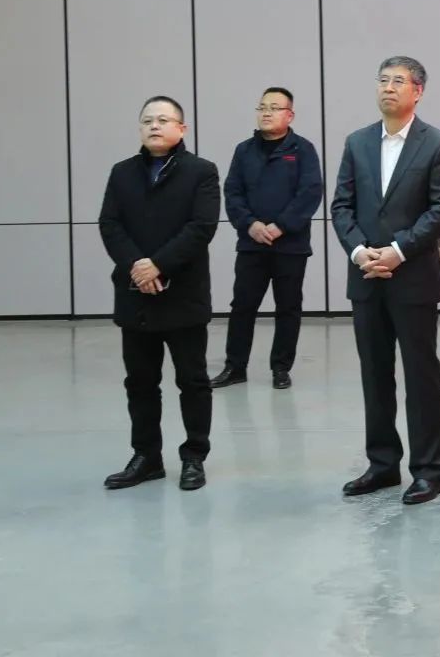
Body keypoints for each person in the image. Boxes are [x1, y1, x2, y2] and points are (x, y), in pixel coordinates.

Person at [331, 56, 440, 505]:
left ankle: (429, 469)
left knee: (421, 375)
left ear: (417, 91)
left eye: (398, 81)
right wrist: (360, 251)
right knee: (375, 373)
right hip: (366, 276)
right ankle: (382, 464)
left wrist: (398, 251)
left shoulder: (436, 144)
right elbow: (341, 206)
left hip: (413, 277)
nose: (388, 87)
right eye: (382, 80)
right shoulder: (357, 142)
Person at [98, 95, 220, 492]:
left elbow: (201, 227)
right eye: (148, 120)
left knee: (193, 381)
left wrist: (159, 264)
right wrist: (138, 265)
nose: (154, 125)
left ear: (181, 129)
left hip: (182, 294)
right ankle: (146, 457)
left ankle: (194, 456)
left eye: (163, 120)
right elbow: (110, 224)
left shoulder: (201, 172)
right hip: (135, 293)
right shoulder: (122, 173)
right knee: (140, 381)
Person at [212, 87, 322, 391]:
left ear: (290, 115)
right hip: (252, 244)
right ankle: (235, 367)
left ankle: (281, 368)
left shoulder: (303, 149)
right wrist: (250, 225)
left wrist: (281, 226)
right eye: (262, 107)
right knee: (242, 306)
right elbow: (233, 192)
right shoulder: (244, 150)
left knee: (288, 307)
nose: (267, 113)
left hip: (291, 246)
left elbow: (310, 192)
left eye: (274, 108)